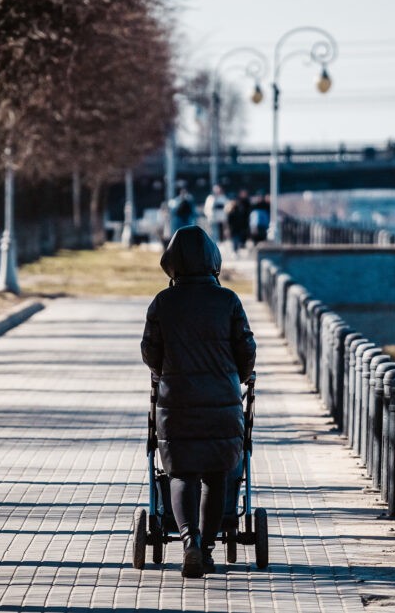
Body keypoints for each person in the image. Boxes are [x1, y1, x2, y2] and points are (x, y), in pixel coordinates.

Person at [141, 226, 257, 578]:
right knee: (216, 475)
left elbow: (150, 352)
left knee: (181, 473)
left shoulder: (163, 302)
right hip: (221, 402)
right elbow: (246, 350)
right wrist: (238, 376)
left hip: (176, 403)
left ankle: (188, 541)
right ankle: (206, 548)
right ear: (213, 261)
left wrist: (165, 373)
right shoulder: (228, 301)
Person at [226, 190, 251, 254]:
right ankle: (235, 251)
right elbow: (228, 221)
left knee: (240, 240)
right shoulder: (229, 209)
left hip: (240, 227)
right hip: (233, 228)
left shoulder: (239, 207)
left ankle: (238, 250)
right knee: (235, 240)